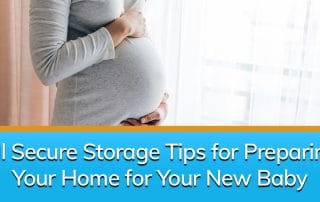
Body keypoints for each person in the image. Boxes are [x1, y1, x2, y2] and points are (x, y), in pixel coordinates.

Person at [29, 0, 168, 126]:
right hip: (87, 119)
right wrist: (122, 27)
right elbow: (48, 65)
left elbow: (138, 25)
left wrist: (162, 101)